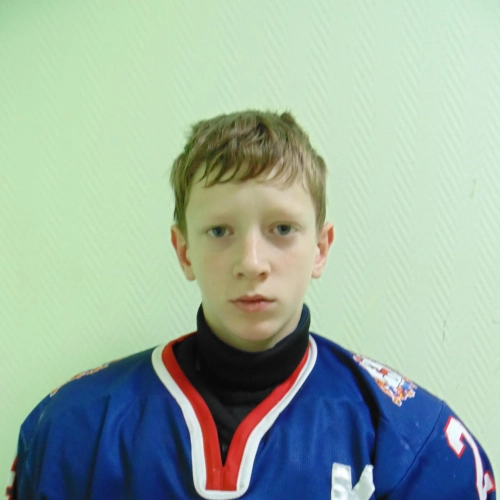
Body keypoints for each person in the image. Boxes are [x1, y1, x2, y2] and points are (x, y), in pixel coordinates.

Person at [7, 110, 496, 499]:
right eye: (220, 231)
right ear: (184, 251)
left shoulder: (407, 438)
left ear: (320, 248)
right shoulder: (73, 428)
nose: (252, 262)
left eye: (282, 229)